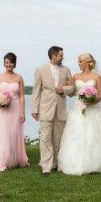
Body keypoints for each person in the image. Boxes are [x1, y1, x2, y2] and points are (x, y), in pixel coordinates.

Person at [31, 45, 75, 176]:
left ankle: (55, 163)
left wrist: (64, 90)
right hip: (45, 108)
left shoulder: (66, 69)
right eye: (61, 55)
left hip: (60, 109)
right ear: (53, 55)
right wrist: (34, 109)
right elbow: (36, 91)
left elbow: (72, 87)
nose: (63, 57)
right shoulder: (40, 70)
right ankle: (46, 167)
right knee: (45, 138)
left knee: (58, 138)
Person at [0, 53, 30, 171]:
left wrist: (22, 112)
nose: (9, 64)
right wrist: (0, 101)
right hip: (1, 111)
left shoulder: (19, 78)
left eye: (11, 62)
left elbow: (22, 96)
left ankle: (14, 159)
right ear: (4, 63)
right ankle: (2, 160)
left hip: (15, 109)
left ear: (15, 64)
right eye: (7, 62)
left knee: (13, 134)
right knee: (2, 134)